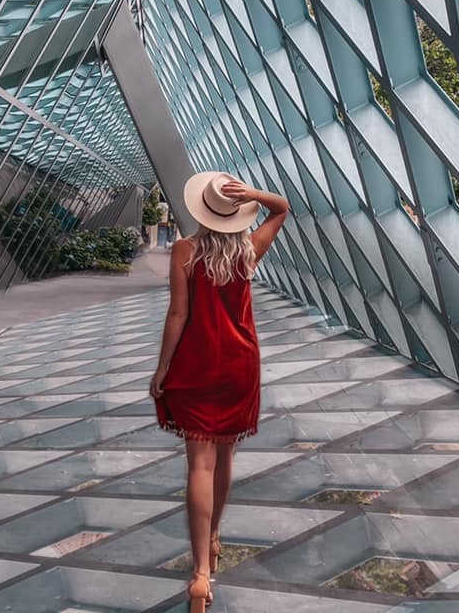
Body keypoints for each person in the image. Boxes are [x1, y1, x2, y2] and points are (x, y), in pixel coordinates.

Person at [149, 172, 288, 612]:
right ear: (237, 213)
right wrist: (252, 195)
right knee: (225, 455)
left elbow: (177, 314)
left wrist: (162, 368)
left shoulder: (184, 251)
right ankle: (213, 537)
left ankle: (200, 574)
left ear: (202, 209)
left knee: (199, 465)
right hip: (239, 363)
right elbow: (282, 207)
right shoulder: (249, 250)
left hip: (197, 362)